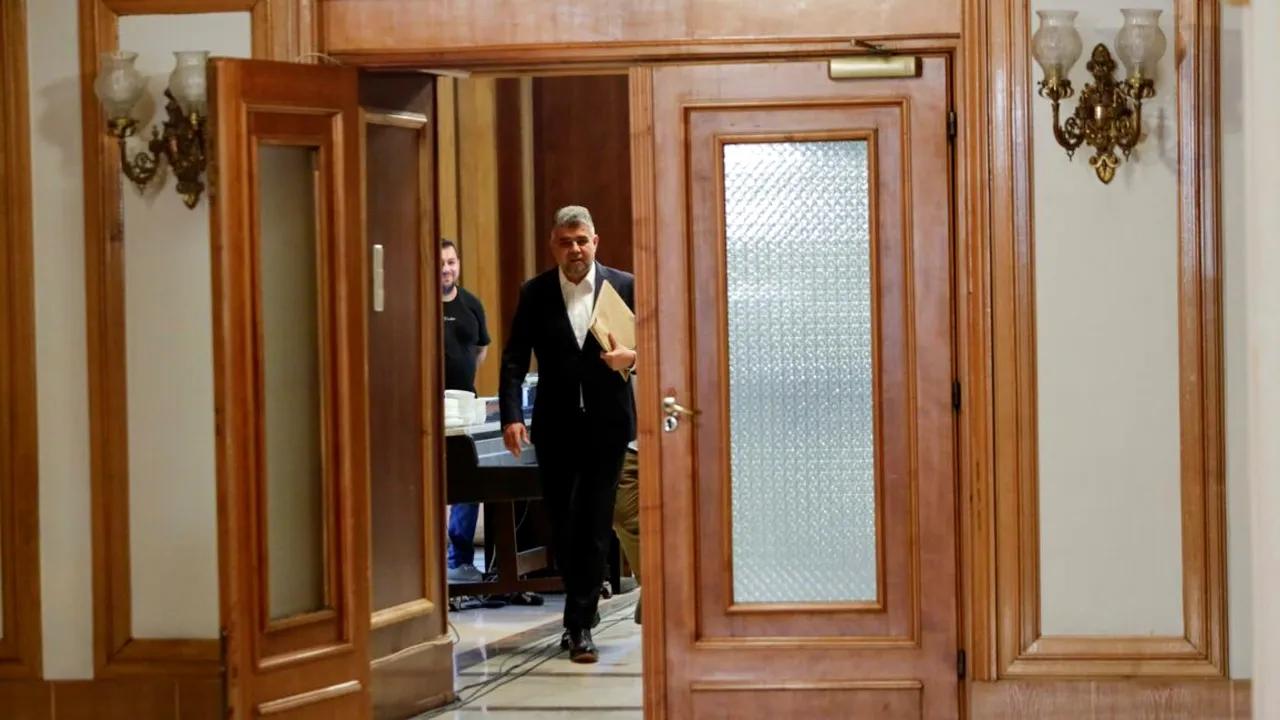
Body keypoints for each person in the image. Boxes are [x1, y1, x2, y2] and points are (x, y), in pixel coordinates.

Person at [499, 205, 637, 663]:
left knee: (595, 521)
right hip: (555, 426)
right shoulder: (535, 292)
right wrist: (511, 416)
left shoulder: (624, 286)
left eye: (582, 241)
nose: (575, 249)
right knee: (562, 523)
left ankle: (578, 626)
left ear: (595, 242)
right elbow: (514, 358)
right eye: (566, 242)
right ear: (553, 246)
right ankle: (583, 604)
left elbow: (658, 346)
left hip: (608, 425)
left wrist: (631, 359)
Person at [441, 239, 491, 584]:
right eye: (441, 263)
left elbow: (480, 349)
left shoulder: (472, 304)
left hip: (464, 406)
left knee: (467, 482)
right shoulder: (417, 302)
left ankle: (460, 561)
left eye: (451, 262)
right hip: (428, 410)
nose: (447, 269)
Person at [613, 431, 642, 624]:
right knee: (623, 516)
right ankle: (657, 590)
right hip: (630, 445)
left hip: (679, 442)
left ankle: (660, 597)